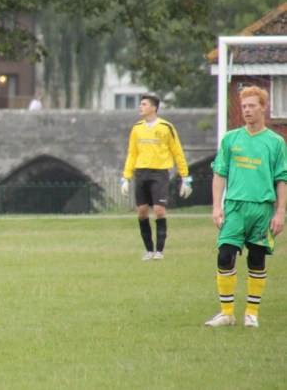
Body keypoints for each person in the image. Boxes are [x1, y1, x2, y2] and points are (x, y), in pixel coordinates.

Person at [204, 86, 287, 328]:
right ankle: (226, 313)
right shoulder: (231, 139)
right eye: (243, 106)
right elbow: (219, 174)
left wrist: (280, 212)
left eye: (252, 106)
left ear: (263, 108)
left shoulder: (275, 142)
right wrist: (217, 207)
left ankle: (251, 312)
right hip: (234, 208)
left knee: (257, 258)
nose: (247, 110)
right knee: (225, 255)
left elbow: (282, 179)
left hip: (262, 209)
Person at [120, 94, 192, 260]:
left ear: (154, 108)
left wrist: (185, 177)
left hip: (159, 173)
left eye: (144, 104)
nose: (140, 107)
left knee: (159, 210)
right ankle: (148, 250)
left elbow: (177, 152)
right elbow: (132, 153)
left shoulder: (166, 127)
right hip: (141, 173)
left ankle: (159, 251)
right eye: (140, 104)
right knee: (142, 212)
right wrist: (126, 177)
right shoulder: (137, 128)